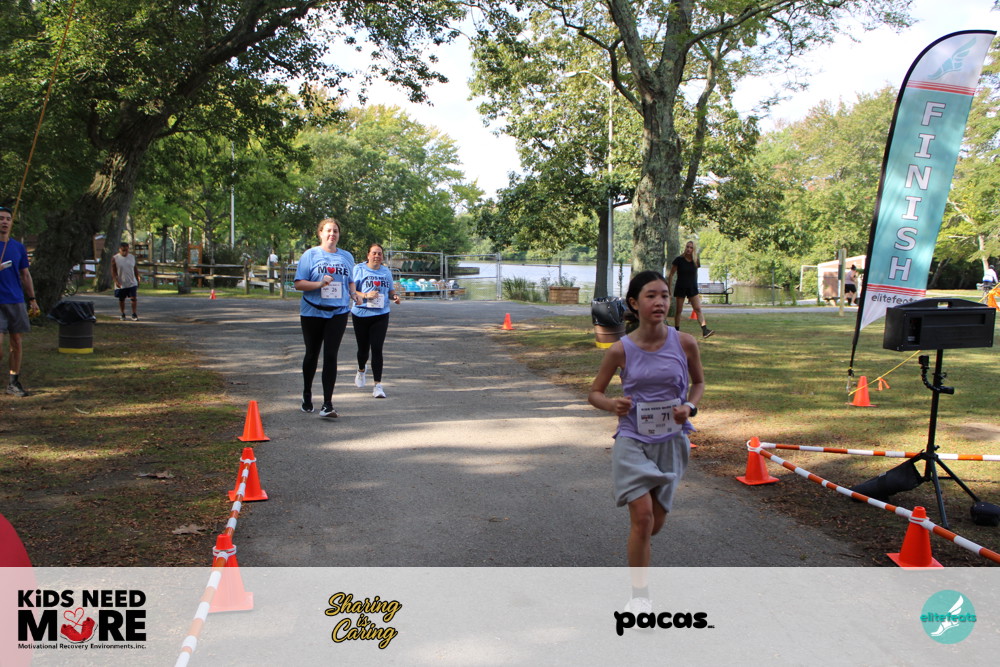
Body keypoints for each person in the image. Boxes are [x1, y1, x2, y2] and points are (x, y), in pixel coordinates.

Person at [588, 270, 705, 615]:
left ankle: (637, 546)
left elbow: (698, 383)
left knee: (654, 523)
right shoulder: (620, 349)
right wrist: (612, 404)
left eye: (664, 296)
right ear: (634, 303)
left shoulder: (685, 343)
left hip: (671, 440)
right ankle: (640, 597)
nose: (660, 302)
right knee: (642, 517)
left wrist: (689, 407)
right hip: (632, 439)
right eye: (651, 296)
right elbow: (594, 393)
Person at [293, 218, 361, 418]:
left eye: (335, 231)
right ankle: (307, 395)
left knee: (331, 355)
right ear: (320, 233)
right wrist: (319, 284)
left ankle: (327, 404)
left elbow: (350, 281)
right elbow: (299, 284)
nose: (332, 234)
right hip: (313, 311)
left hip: (338, 312)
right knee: (312, 354)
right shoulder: (311, 255)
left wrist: (354, 294)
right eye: (328, 231)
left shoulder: (346, 256)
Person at [0, 205, 40, 397]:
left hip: (15, 300)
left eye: (8, 219)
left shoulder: (18, 247)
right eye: (1, 218)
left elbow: (25, 274)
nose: (5, 222)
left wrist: (32, 299)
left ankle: (13, 383)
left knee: (16, 342)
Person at [351, 244, 400, 398]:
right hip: (361, 313)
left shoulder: (386, 272)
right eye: (374, 253)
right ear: (368, 255)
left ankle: (377, 385)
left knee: (377, 349)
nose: (377, 256)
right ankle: (361, 369)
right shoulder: (359, 269)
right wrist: (365, 295)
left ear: (382, 256)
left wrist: (394, 297)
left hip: (381, 314)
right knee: (363, 350)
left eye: (379, 253)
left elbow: (390, 290)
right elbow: (352, 290)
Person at [666, 240, 714, 338]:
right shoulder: (679, 260)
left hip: (692, 287)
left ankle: (705, 330)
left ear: (693, 249)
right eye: (687, 247)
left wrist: (695, 286)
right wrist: (669, 290)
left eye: (691, 247)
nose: (688, 249)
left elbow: (695, 274)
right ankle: (676, 331)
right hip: (681, 287)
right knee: (679, 310)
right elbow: (671, 274)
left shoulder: (696, 260)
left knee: (698, 309)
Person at [111, 241, 140, 320]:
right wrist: (116, 281)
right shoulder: (115, 258)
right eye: (123, 250)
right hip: (121, 282)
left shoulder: (132, 257)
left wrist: (137, 277)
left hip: (132, 281)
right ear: (119, 249)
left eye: (126, 250)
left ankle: (134, 314)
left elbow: (135, 268)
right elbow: (113, 271)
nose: (125, 252)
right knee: (122, 299)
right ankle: (122, 313)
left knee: (133, 298)